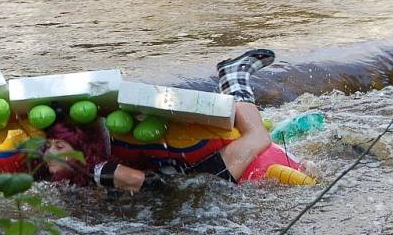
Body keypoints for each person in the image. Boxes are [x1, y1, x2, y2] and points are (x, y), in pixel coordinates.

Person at [43, 49, 278, 193]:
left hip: (202, 178)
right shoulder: (60, 173)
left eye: (59, 146)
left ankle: (233, 74)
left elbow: (144, 183)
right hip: (188, 180)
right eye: (48, 146)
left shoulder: (97, 170)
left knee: (258, 136)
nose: (49, 153)